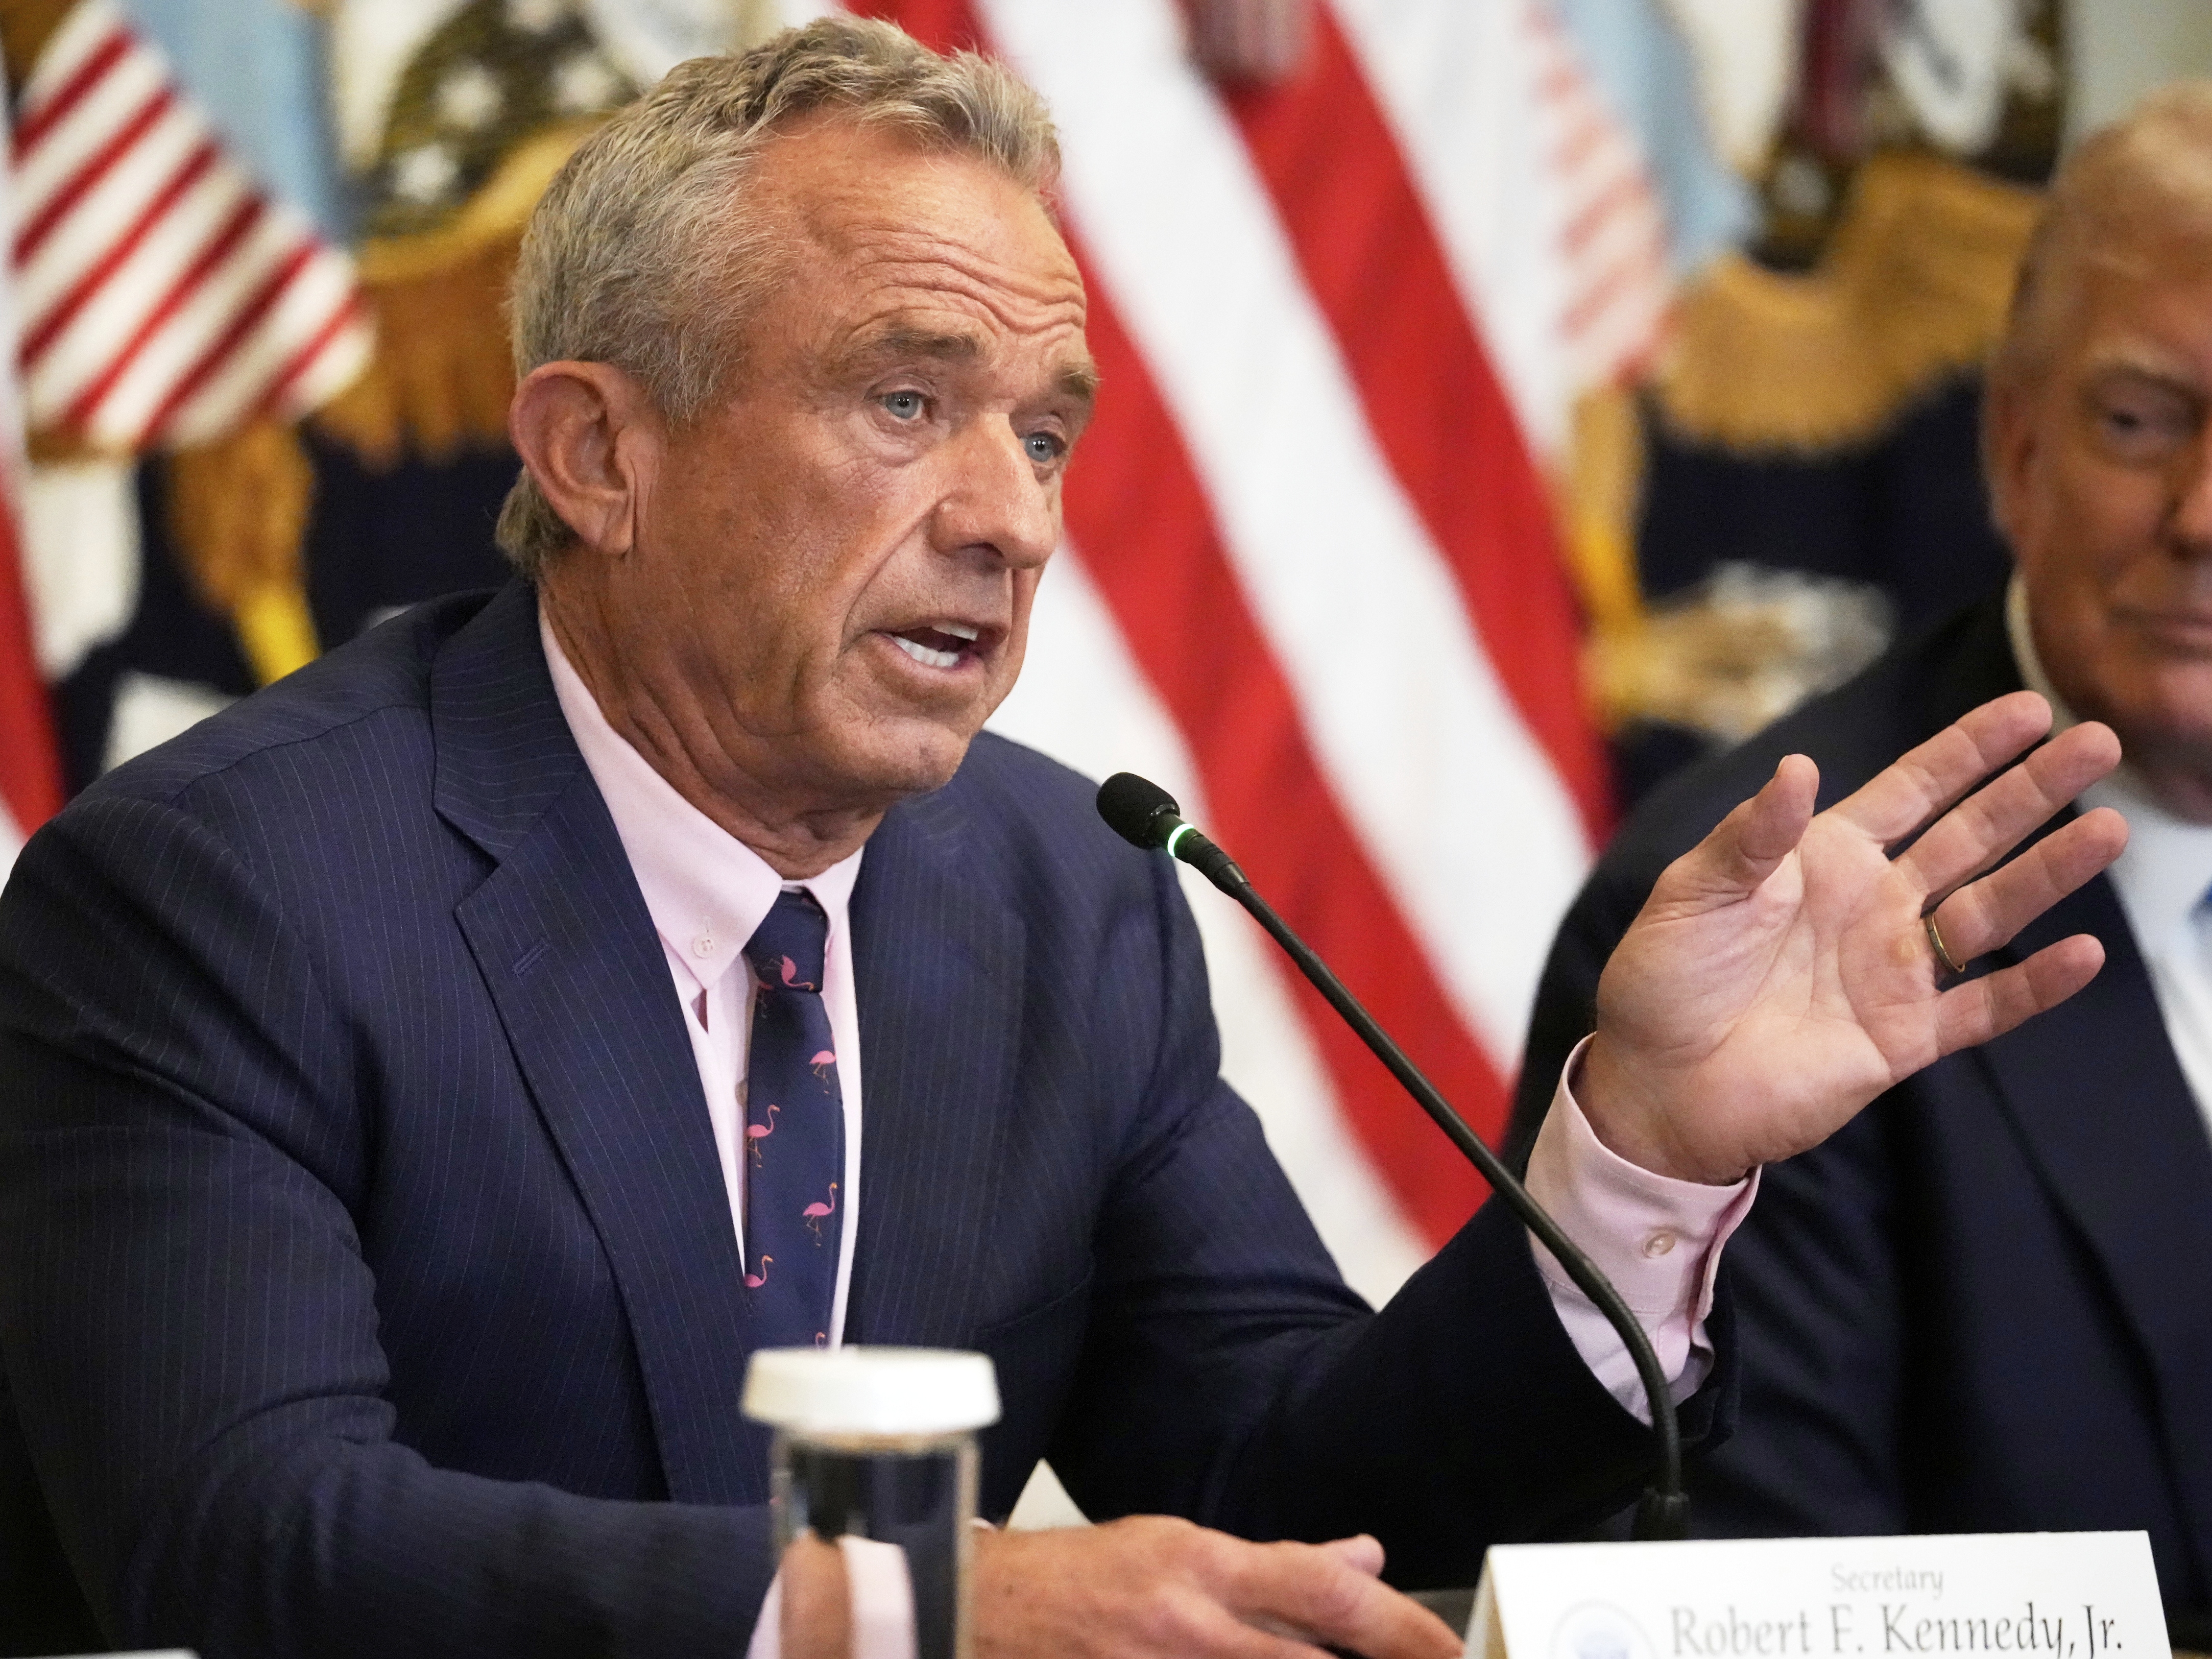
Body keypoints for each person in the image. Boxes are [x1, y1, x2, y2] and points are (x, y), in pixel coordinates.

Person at [0, 20, 2124, 1659]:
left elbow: (1283, 1481)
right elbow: (241, 1524)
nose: (1014, 517)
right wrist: (920, 1611)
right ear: (598, 451)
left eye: (1044, 430)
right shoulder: (221, 891)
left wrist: (1643, 1155)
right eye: (906, 400)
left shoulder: (1069, 896)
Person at [1509, 82, 2212, 1642]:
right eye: (2138, 418)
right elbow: (1762, 1604)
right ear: (2010, 444)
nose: (2201, 514)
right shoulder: (1753, 927)